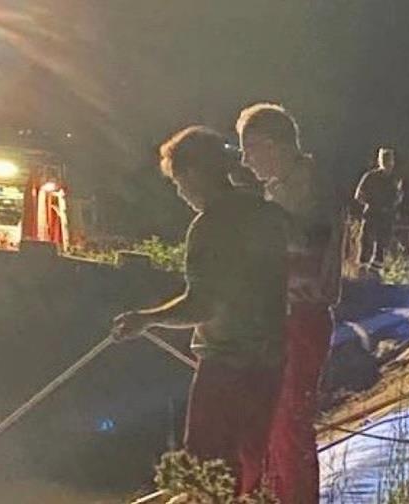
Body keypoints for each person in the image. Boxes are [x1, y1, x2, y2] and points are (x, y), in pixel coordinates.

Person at [110, 126, 289, 495]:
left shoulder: (209, 227)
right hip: (270, 360)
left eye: (179, 182)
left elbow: (203, 304)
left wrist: (147, 319)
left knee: (207, 466)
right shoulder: (264, 213)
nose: (181, 192)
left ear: (193, 173)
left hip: (227, 363)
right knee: (251, 462)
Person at [236, 103, 342, 504]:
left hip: (299, 317)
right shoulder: (283, 189)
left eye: (249, 149)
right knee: (265, 419)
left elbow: (305, 250)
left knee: (287, 422)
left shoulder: (306, 190)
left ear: (273, 145)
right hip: (282, 315)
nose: (245, 161)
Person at [354, 147, 403, 272]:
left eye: (389, 159)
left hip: (387, 216)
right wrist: (371, 204)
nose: (387, 162)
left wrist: (392, 206)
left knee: (382, 244)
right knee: (366, 241)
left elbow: (399, 196)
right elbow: (359, 195)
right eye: (384, 159)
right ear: (379, 161)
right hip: (372, 213)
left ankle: (376, 270)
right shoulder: (370, 176)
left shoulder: (395, 179)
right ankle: (362, 268)